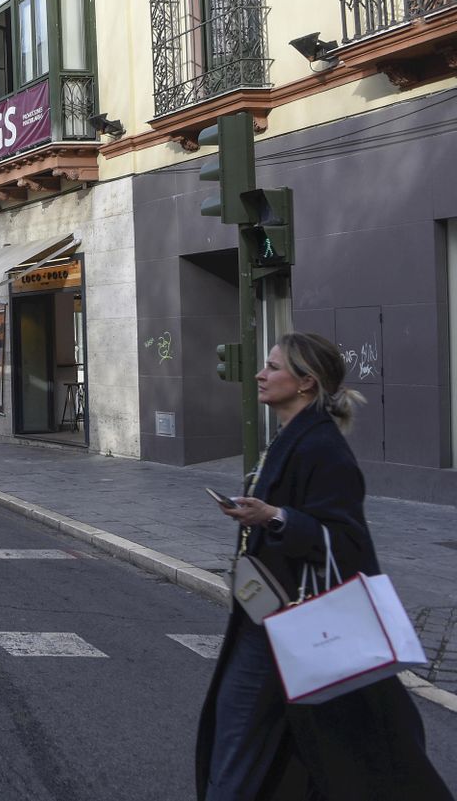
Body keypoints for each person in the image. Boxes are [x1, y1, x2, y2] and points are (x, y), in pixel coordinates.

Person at [195, 332, 452, 801]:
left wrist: (274, 516)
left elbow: (348, 541)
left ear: (306, 382)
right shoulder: (291, 437)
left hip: (291, 622)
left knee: (237, 740)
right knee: (266, 744)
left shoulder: (322, 448)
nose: (260, 374)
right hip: (270, 615)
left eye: (273, 367)